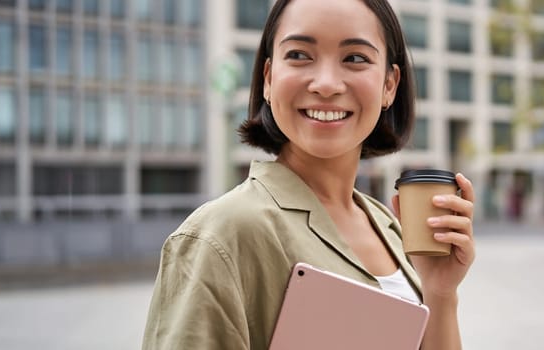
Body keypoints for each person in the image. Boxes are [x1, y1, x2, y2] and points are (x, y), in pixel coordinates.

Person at [142, 0, 477, 349]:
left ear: (389, 86)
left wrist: (440, 293)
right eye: (300, 55)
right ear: (268, 79)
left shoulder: (393, 230)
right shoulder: (221, 235)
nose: (327, 84)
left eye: (355, 58)